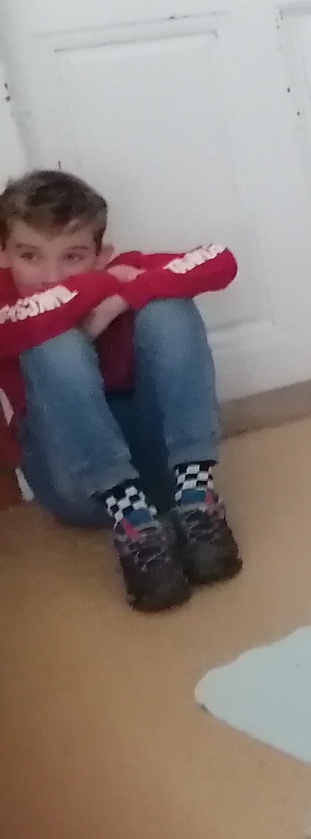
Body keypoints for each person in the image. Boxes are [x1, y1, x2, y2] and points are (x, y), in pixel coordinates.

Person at [0, 170, 239, 612]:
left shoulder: (116, 268)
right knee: (52, 341)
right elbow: (32, 320)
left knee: (168, 306)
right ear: (3, 253)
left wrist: (126, 296)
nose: (51, 276)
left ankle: (196, 500)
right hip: (77, 485)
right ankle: (133, 526)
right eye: (29, 256)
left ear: (101, 255)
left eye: (73, 256)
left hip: (161, 469)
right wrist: (107, 284)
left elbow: (219, 260)